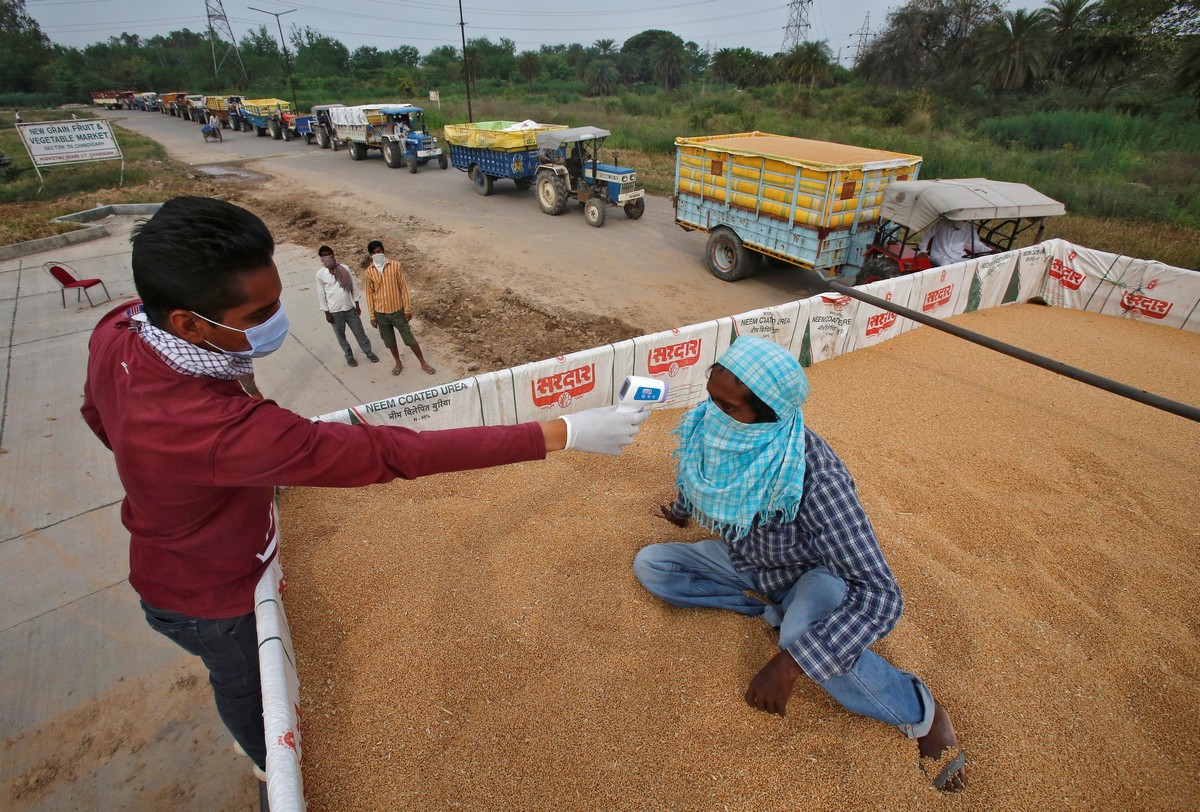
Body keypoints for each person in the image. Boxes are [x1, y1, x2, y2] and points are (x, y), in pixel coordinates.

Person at [80, 196, 649, 783]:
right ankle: (263, 762)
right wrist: (565, 430)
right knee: (252, 693)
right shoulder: (222, 433)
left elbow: (96, 415)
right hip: (210, 598)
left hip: (165, 549)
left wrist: (167, 476)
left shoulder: (121, 328)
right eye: (260, 313)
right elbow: (393, 454)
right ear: (189, 323)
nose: (279, 318)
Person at [632, 336, 967, 792]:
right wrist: (682, 510)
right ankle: (770, 611)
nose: (714, 415)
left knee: (799, 639)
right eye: (711, 399)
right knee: (653, 565)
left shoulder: (816, 477)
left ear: (771, 415)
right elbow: (701, 474)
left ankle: (921, 712)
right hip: (745, 559)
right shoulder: (714, 426)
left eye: (729, 408)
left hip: (810, 575)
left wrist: (790, 664)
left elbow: (881, 595)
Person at [363, 239, 435, 377]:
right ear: (370, 255)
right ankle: (398, 362)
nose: (377, 254)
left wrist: (407, 309)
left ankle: (423, 362)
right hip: (381, 313)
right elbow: (369, 294)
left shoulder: (395, 266)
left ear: (383, 251)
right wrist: (372, 316)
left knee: (409, 339)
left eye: (379, 251)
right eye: (374, 252)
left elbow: (404, 288)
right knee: (389, 341)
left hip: (398, 311)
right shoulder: (369, 272)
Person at [316, 245, 378, 367]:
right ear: (321, 258)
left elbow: (353, 287)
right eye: (324, 255)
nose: (327, 257)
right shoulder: (320, 274)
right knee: (341, 336)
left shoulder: (344, 269)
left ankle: (369, 352)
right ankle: (349, 356)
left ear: (333, 255)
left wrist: (357, 304)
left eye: (329, 254)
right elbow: (321, 294)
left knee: (359, 332)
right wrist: (327, 313)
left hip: (349, 308)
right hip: (334, 311)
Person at [922, 217, 990, 268]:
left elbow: (976, 244)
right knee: (945, 264)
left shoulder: (969, 228)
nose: (964, 221)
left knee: (972, 264)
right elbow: (927, 235)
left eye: (965, 220)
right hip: (939, 255)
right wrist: (922, 251)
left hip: (958, 257)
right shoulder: (942, 222)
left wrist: (990, 251)